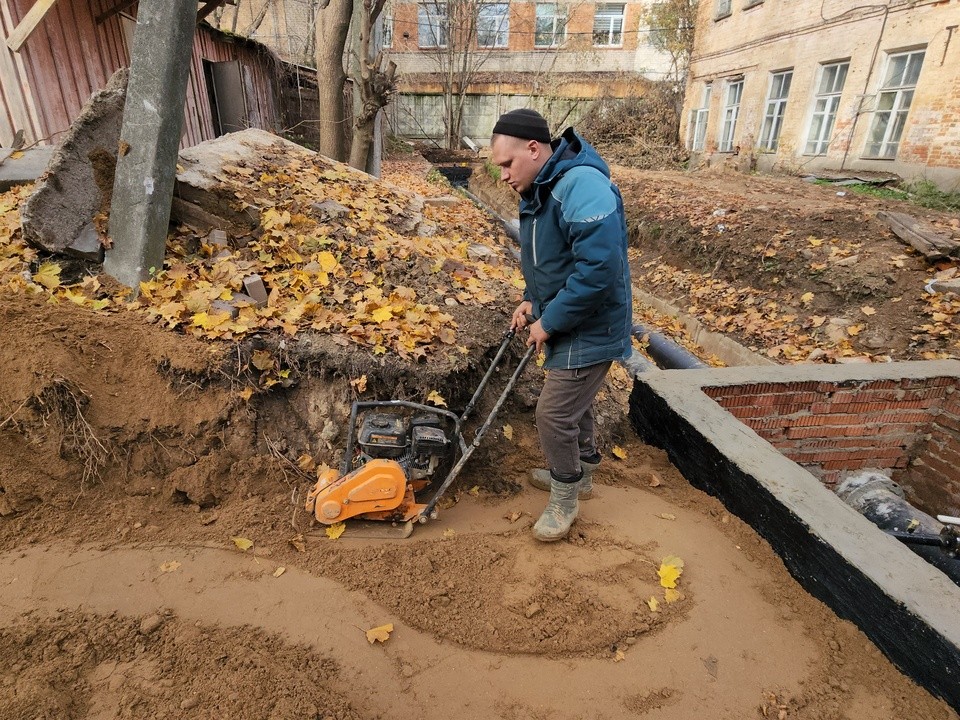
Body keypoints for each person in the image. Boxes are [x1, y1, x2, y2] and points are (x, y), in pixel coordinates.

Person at [489, 108, 632, 543]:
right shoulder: (542, 186)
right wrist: (533, 300)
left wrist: (549, 321)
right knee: (575, 408)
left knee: (553, 414)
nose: (503, 176)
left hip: (594, 324)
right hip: (573, 317)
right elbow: (553, 259)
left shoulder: (581, 186)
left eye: (507, 164)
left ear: (533, 149)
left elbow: (598, 270)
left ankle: (565, 495)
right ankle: (583, 471)